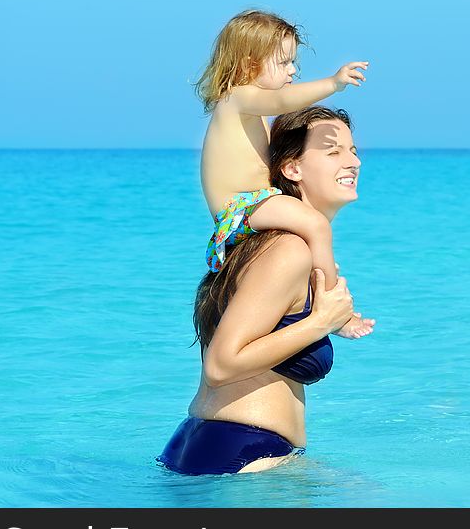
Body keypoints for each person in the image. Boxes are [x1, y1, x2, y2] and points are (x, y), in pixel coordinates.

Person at [158, 107, 373, 475]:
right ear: (292, 168)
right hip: (243, 456)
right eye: (333, 151)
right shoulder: (288, 250)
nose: (352, 161)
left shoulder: (273, 245)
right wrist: (321, 321)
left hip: (218, 448)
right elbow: (221, 365)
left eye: (354, 150)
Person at [196, 9, 371, 338]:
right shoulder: (238, 98)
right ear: (250, 64)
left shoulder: (251, 109)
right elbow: (284, 100)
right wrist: (333, 83)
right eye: (285, 62)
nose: (293, 71)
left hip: (254, 203)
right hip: (239, 206)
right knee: (315, 224)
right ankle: (332, 307)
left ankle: (316, 280)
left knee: (310, 236)